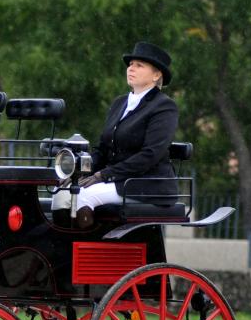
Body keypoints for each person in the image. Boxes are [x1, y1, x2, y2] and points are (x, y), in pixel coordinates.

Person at [67, 41, 179, 228]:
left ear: (156, 75)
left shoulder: (164, 106)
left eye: (139, 65)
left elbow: (150, 155)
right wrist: (77, 172)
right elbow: (103, 149)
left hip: (146, 184)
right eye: (130, 64)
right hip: (117, 179)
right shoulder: (120, 103)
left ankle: (90, 250)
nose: (131, 68)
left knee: (82, 196)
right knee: (62, 192)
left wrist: (105, 175)